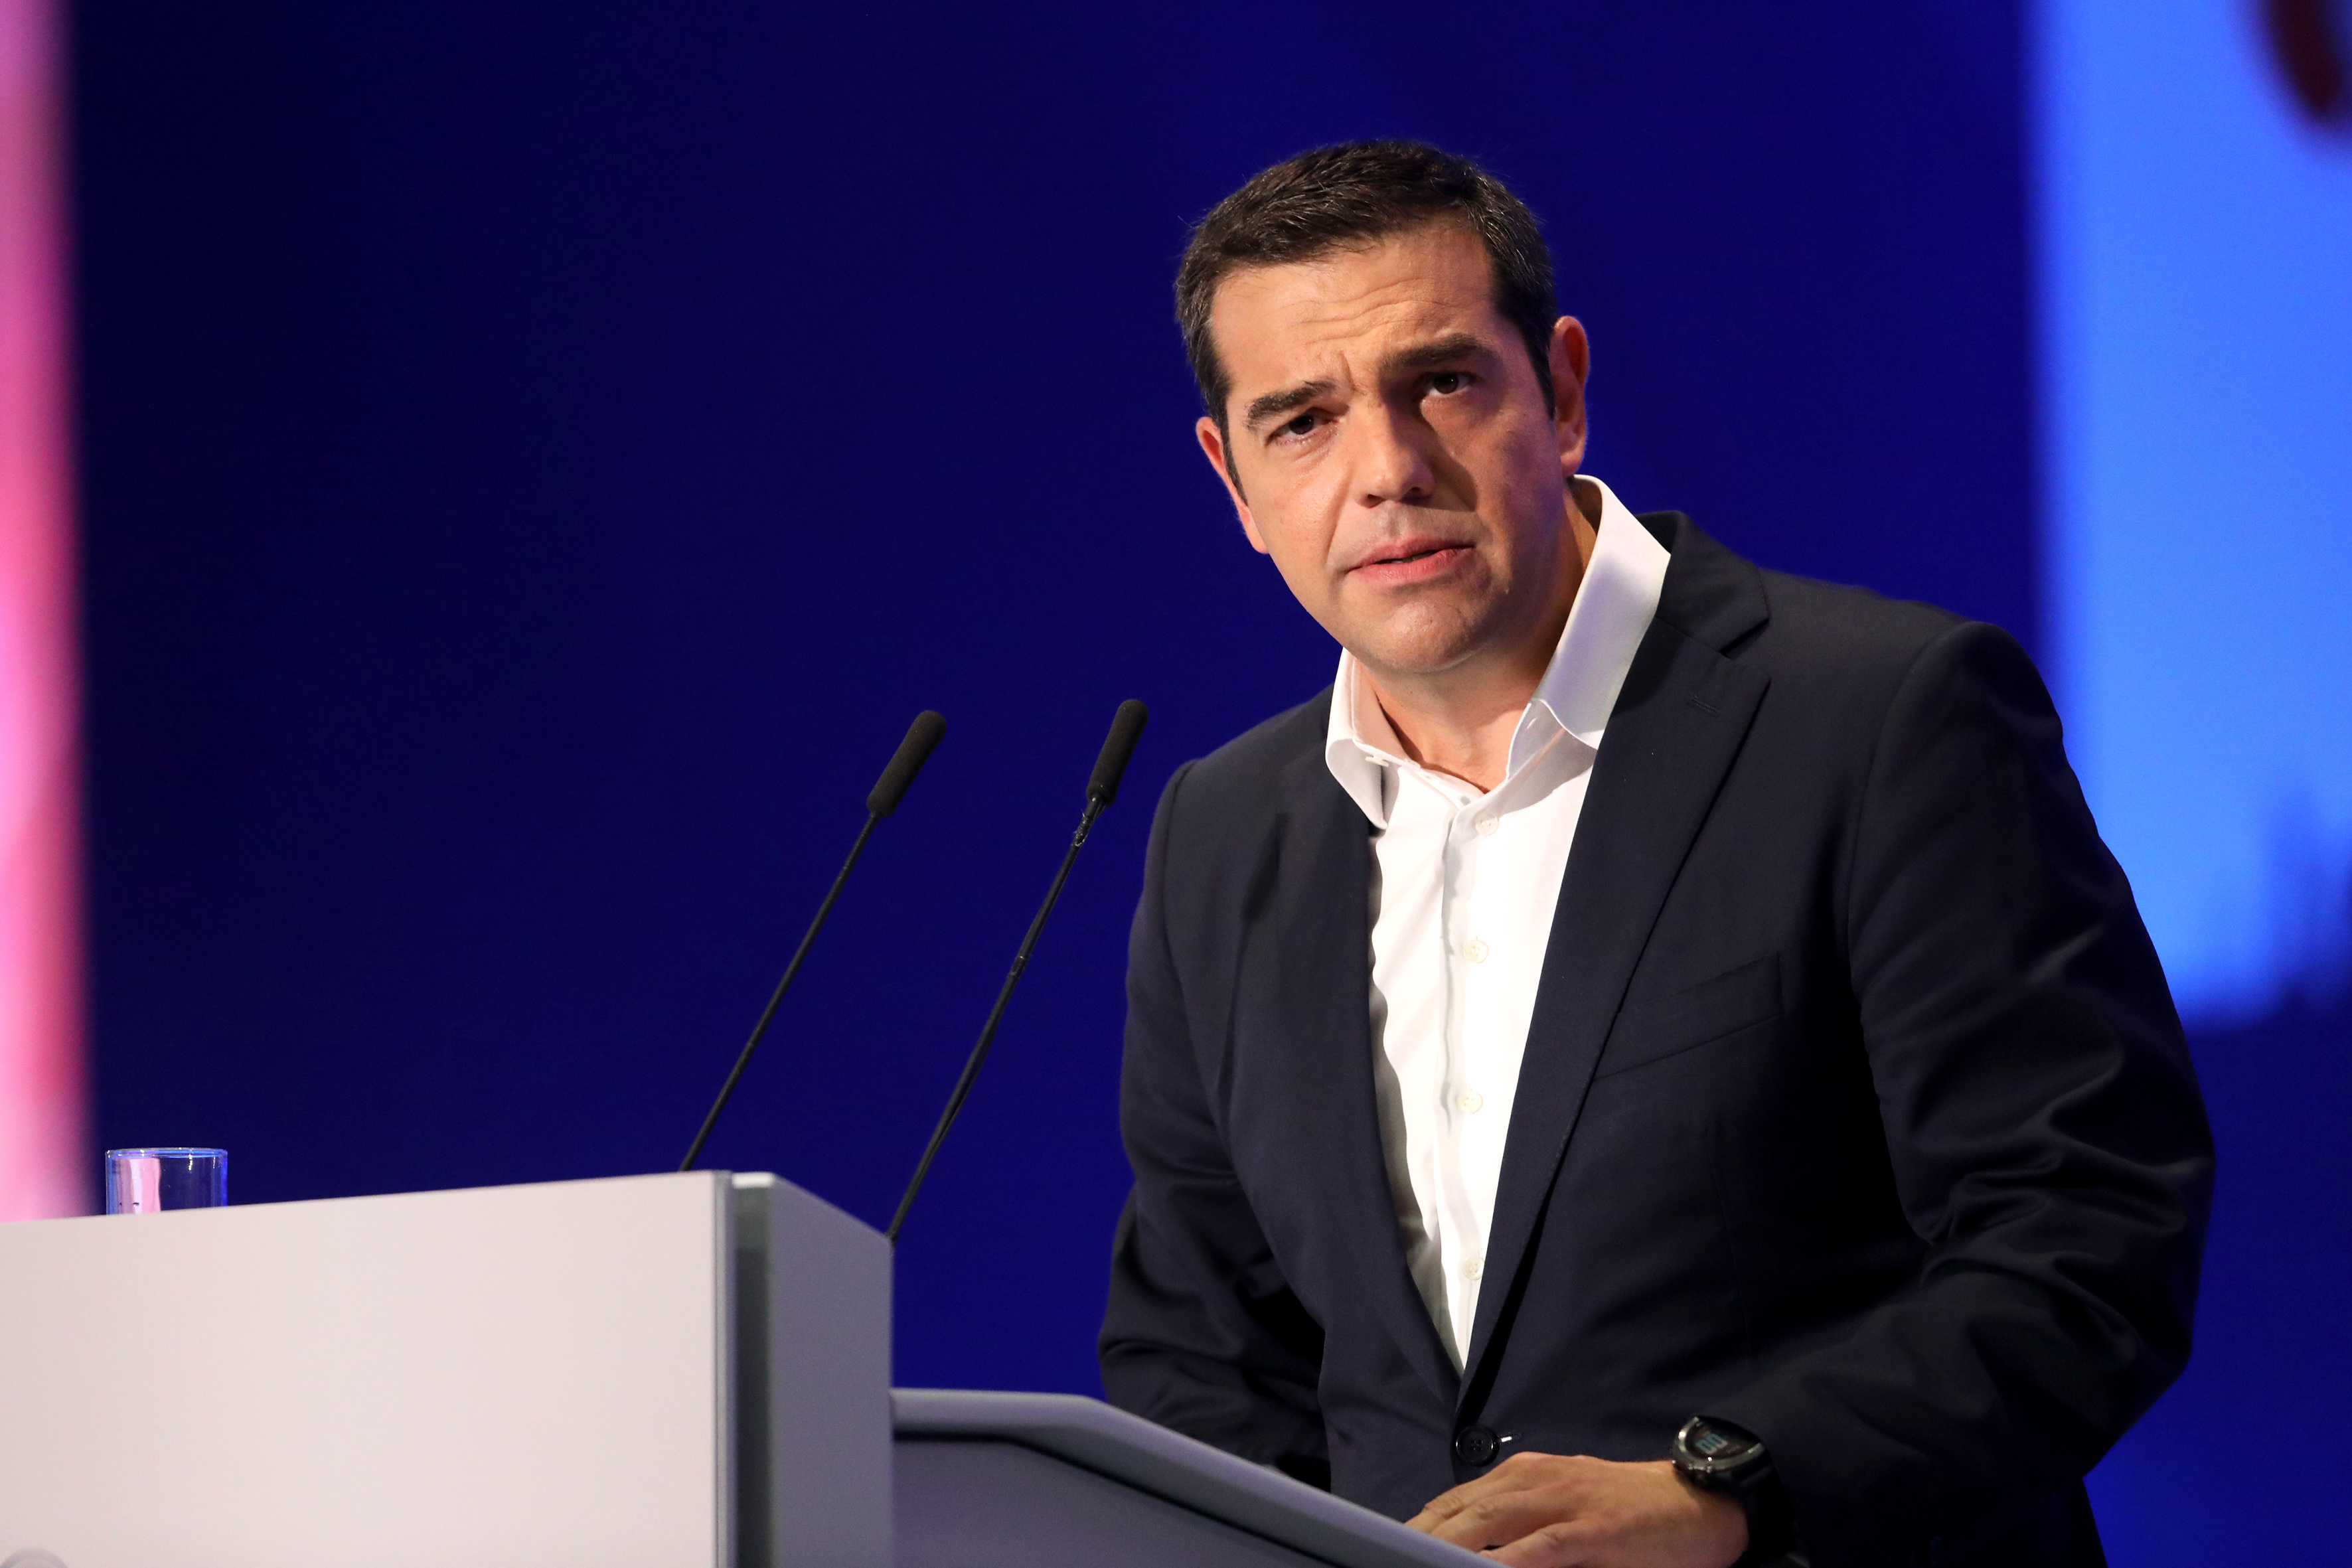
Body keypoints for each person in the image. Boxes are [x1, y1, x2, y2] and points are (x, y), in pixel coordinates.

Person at [1098, 141, 2212, 1568]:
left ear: (1560, 390)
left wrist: (1731, 1490)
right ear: (1236, 482)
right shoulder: (1219, 834)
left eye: (1441, 382)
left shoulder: (1880, 718)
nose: (1386, 471)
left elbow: (2085, 1238)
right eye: (1303, 420)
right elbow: (1201, 1357)